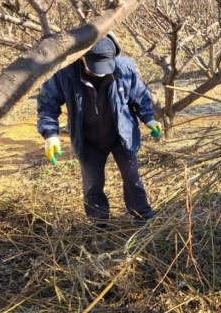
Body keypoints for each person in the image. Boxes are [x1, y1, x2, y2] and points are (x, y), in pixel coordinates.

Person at [36, 34, 162, 228]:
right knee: (93, 184)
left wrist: (149, 117)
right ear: (81, 57)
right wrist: (50, 134)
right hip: (88, 140)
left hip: (122, 137)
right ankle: (98, 224)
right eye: (95, 66)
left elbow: (141, 96)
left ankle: (142, 218)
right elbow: (47, 104)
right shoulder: (64, 74)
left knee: (132, 179)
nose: (100, 72)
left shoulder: (124, 69)